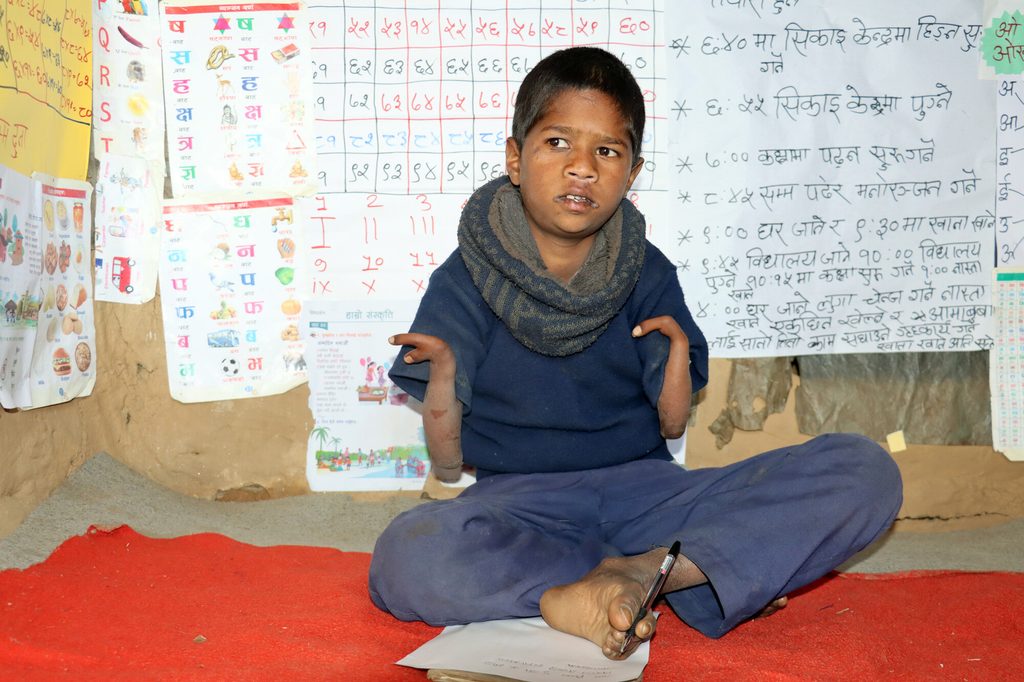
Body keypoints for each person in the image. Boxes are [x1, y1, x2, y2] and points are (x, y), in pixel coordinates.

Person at [369, 46, 902, 660]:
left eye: (607, 151)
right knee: (407, 556)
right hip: (525, 507)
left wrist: (675, 355)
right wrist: (442, 379)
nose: (582, 168)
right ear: (515, 158)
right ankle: (645, 579)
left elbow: (672, 422)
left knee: (865, 470)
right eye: (557, 144)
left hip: (650, 497)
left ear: (633, 170)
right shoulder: (466, 275)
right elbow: (445, 464)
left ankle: (645, 572)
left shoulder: (645, 269)